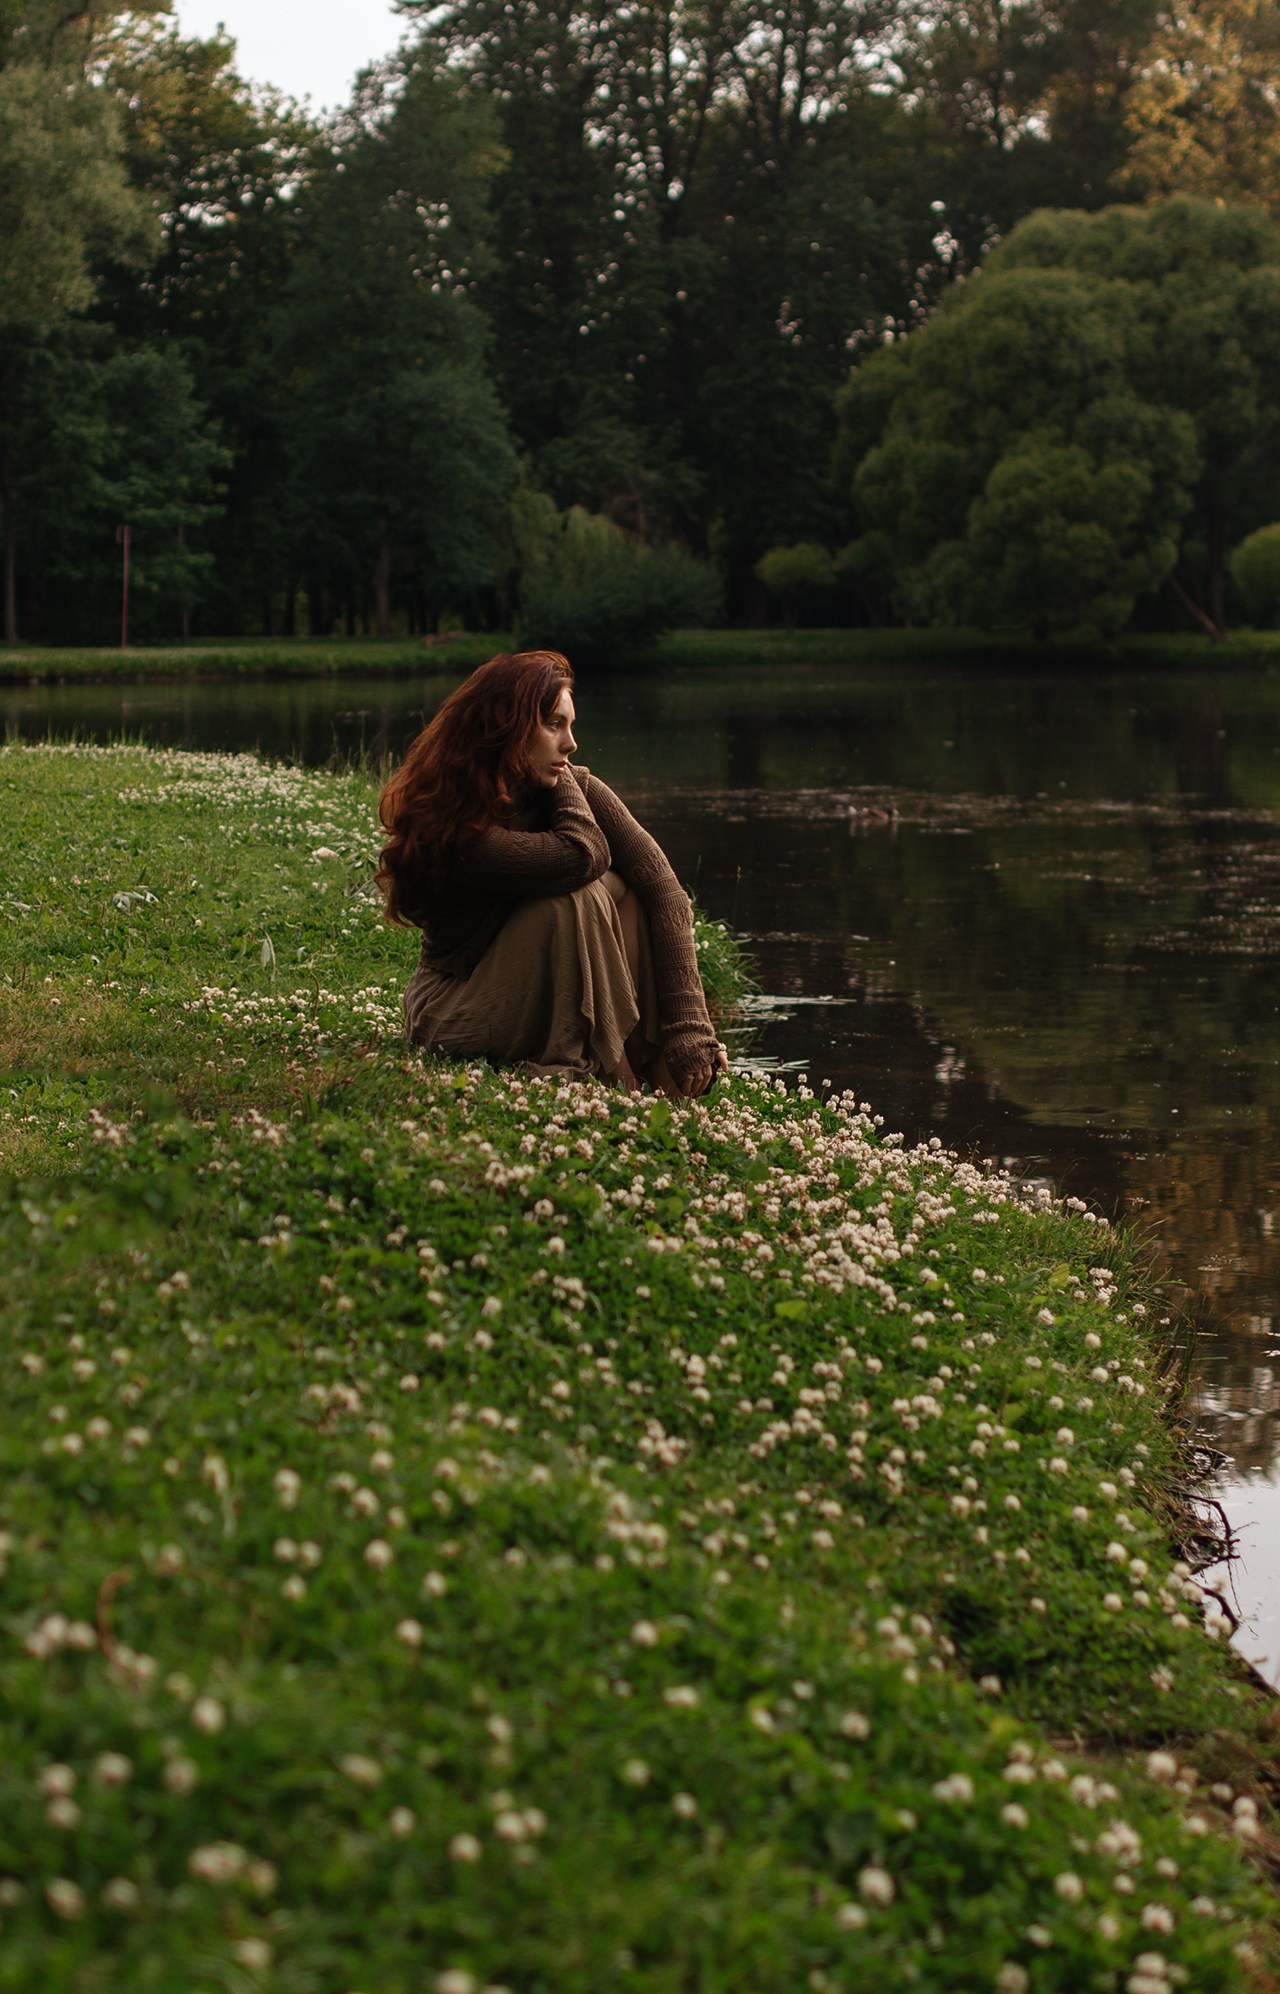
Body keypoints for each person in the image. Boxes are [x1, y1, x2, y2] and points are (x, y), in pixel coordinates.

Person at [376, 649, 730, 1097]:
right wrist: (565, 780)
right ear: (506, 729)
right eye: (553, 725)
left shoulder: (565, 781)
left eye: (571, 725)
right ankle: (622, 1087)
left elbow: (667, 892)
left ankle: (666, 1087)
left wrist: (690, 1023)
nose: (571, 743)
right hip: (453, 1008)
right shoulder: (456, 828)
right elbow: (581, 854)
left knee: (628, 891)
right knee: (577, 895)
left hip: (531, 990)